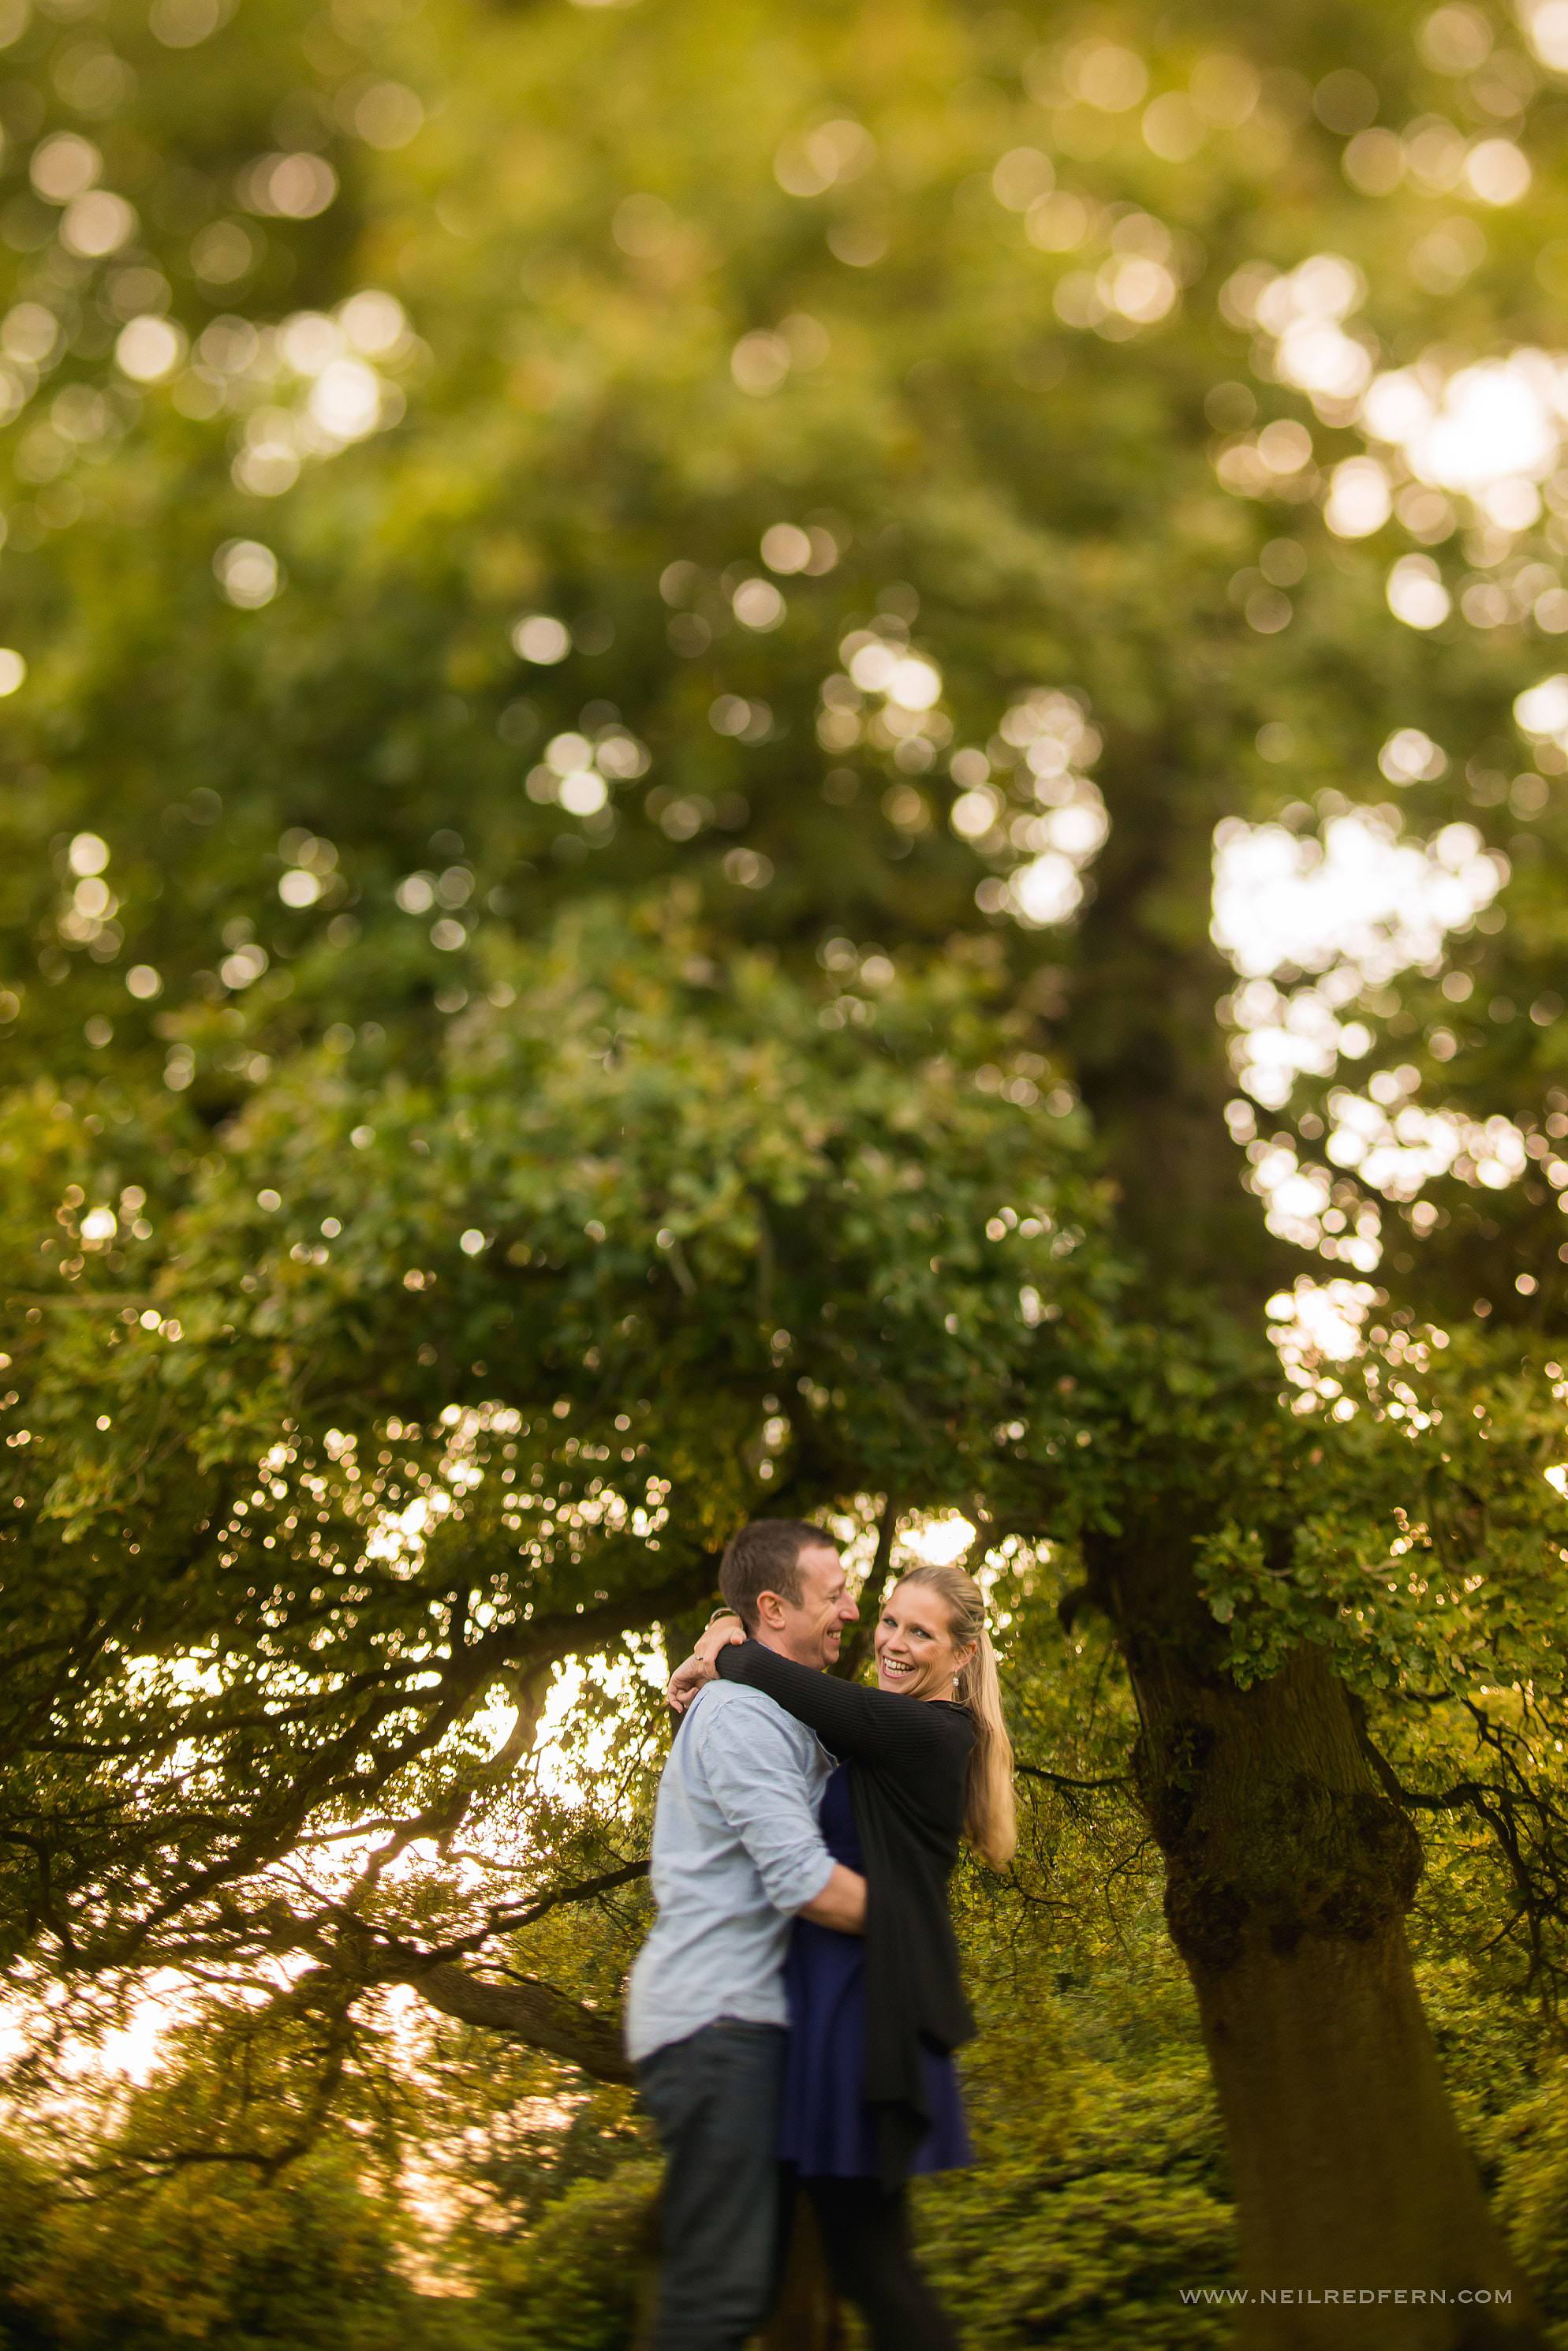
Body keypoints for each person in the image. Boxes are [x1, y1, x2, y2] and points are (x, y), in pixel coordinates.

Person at [668, 1558, 1017, 2351]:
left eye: (919, 1632)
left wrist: (720, 1641)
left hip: (863, 2018)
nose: (892, 1642)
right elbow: (780, 1698)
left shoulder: (929, 1730)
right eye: (889, 1621)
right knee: (804, 2263)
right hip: (830, 2006)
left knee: (868, 2266)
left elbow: (767, 1672)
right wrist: (722, 1638)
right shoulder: (889, 1732)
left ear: (961, 1655)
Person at [625, 1519, 866, 2351]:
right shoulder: (741, 1719)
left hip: (746, 2021)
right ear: (774, 1608)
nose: (852, 1609)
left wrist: (716, 1638)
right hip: (716, 2021)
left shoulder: (779, 1708)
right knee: (717, 2299)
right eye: (835, 1594)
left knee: (743, 2286)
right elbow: (803, 1881)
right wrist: (912, 1923)